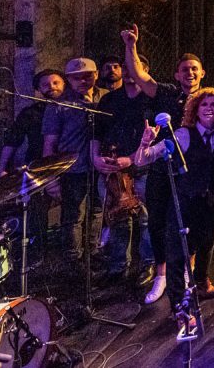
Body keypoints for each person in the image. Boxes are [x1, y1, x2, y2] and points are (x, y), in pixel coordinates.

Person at [121, 23, 207, 303]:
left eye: (194, 69)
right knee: (157, 221)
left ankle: (188, 272)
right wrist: (131, 45)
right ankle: (161, 274)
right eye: (185, 69)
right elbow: (138, 75)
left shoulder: (210, 98)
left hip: (192, 170)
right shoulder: (168, 93)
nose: (190, 73)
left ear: (202, 73)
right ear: (177, 74)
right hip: (162, 165)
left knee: (192, 221)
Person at [135, 87, 214, 340]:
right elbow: (142, 160)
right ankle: (179, 307)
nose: (210, 108)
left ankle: (200, 284)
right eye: (205, 105)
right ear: (195, 110)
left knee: (206, 246)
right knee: (178, 255)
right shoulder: (182, 135)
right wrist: (146, 141)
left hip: (211, 201)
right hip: (184, 202)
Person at [92, 54, 155, 280]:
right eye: (125, 69)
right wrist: (95, 157)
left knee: (147, 219)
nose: (128, 73)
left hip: (141, 169)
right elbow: (97, 132)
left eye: (133, 68)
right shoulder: (109, 100)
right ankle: (118, 266)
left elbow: (157, 138)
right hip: (111, 170)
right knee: (118, 219)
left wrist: (131, 158)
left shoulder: (152, 101)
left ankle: (147, 265)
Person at [42, 57, 108, 261]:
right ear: (69, 79)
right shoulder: (58, 105)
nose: (82, 81)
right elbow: (49, 143)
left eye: (87, 76)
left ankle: (93, 252)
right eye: (76, 78)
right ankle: (73, 258)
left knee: (98, 211)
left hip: (100, 167)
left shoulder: (106, 98)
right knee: (73, 216)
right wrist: (50, 177)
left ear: (96, 75)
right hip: (73, 169)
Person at [0, 68, 65, 263]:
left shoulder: (74, 108)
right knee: (36, 213)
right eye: (45, 85)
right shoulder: (30, 114)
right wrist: (2, 168)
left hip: (69, 168)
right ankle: (39, 256)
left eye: (56, 83)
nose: (51, 87)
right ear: (38, 90)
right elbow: (12, 140)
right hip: (38, 168)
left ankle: (70, 257)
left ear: (64, 84)